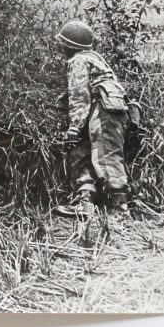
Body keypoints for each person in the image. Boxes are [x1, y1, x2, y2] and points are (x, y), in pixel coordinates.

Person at [54, 20, 131, 218]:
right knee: (89, 148)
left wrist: (74, 127)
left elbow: (80, 97)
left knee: (106, 154)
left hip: (103, 111)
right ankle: (84, 201)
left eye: (63, 44)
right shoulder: (96, 58)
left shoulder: (78, 61)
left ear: (68, 46)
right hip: (111, 111)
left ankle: (120, 209)